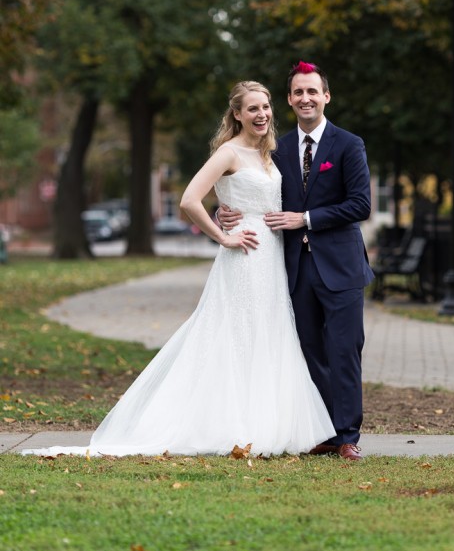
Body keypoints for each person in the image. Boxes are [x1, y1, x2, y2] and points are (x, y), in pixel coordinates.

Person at [23, 81, 334, 458]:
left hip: (272, 257)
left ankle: (265, 423)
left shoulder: (270, 153)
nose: (262, 115)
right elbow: (189, 199)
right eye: (252, 109)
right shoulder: (228, 152)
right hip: (244, 258)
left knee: (268, 335)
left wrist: (227, 209)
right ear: (236, 114)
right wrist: (223, 235)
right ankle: (228, 425)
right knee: (234, 336)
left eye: (266, 107)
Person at [218, 62, 373, 460]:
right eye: (298, 93)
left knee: (344, 350)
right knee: (308, 350)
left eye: (312, 92)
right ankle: (322, 430)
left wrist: (306, 219)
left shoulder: (348, 144)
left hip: (340, 267)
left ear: (326, 96)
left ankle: (347, 436)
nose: (306, 98)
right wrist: (226, 213)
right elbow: (255, 191)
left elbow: (360, 204)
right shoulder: (276, 149)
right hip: (293, 267)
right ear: (289, 100)